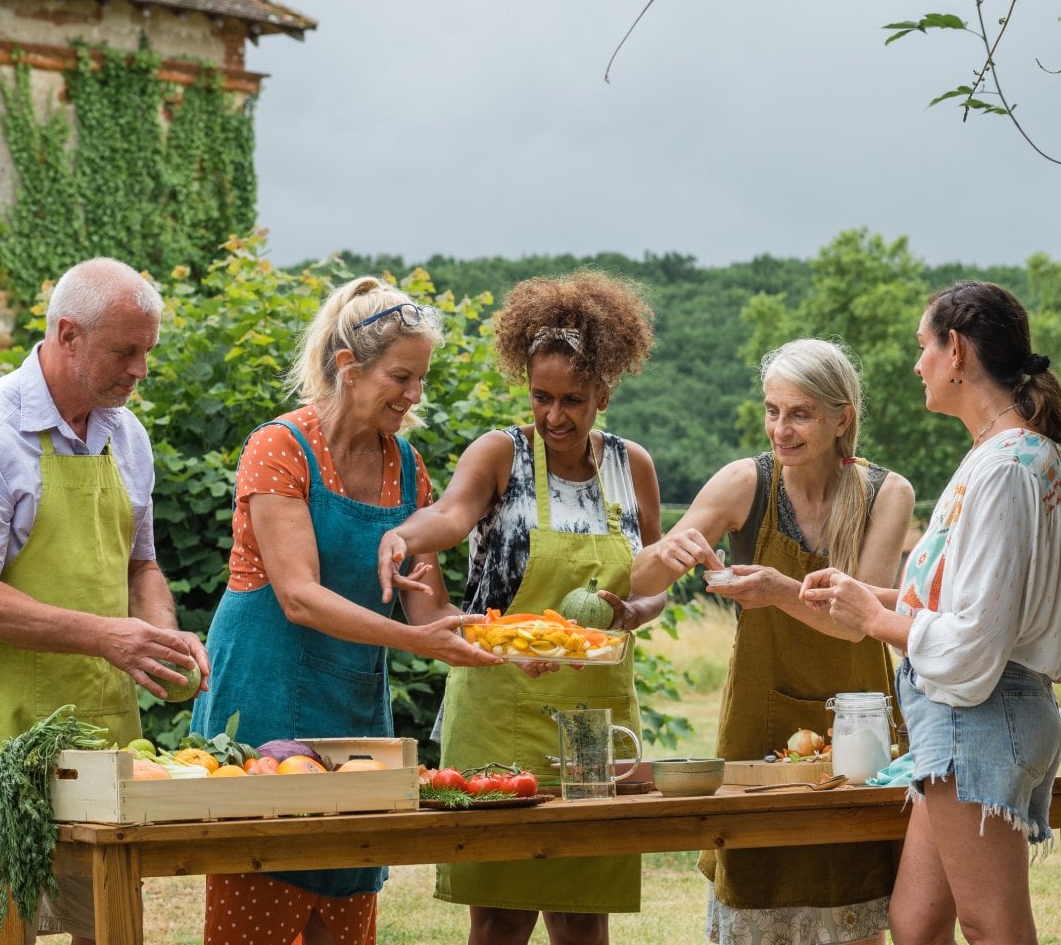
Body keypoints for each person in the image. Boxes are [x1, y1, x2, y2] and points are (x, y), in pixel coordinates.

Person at [0, 257, 209, 945]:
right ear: (68, 335)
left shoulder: (128, 437)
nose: (141, 370)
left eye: (148, 351)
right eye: (126, 351)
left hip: (89, 728)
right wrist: (107, 636)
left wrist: (160, 634)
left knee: (106, 923)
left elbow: (141, 564)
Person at [191, 276, 501, 945]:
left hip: (353, 702)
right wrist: (416, 642)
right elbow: (299, 596)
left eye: (421, 378)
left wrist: (494, 643)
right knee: (263, 883)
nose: (415, 394)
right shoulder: (279, 447)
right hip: (264, 692)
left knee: (346, 895)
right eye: (401, 376)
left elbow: (426, 604)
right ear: (347, 367)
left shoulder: (406, 464)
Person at [375, 271, 666, 945]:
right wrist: (403, 535)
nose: (555, 416)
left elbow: (653, 583)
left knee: (582, 913)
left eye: (574, 399)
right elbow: (448, 517)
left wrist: (628, 613)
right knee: (501, 916)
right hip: (500, 705)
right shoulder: (501, 454)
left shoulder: (632, 468)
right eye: (542, 397)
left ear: (605, 393)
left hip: (597, 718)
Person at [800, 281, 1061, 945]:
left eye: (922, 347)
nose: (916, 364)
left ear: (956, 350)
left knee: (992, 926)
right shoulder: (1004, 456)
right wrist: (862, 596)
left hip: (977, 715)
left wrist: (873, 617)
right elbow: (971, 604)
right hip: (964, 721)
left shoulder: (1007, 468)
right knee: (916, 921)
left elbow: (977, 641)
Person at [629, 339, 914, 945]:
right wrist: (664, 553)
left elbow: (859, 617)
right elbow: (640, 579)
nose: (780, 430)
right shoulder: (744, 483)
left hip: (858, 725)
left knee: (854, 892)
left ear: (844, 418)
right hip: (758, 723)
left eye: (800, 413)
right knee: (756, 890)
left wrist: (782, 590)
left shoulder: (888, 493)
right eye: (772, 410)